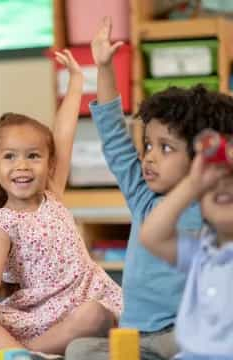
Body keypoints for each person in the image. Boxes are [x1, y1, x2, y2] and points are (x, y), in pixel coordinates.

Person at [66, 17, 233, 360]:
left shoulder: (213, 207)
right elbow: (113, 136)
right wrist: (105, 67)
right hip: (135, 335)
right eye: (148, 145)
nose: (150, 157)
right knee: (78, 350)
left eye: (166, 148)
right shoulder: (143, 195)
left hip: (181, 334)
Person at [0, 49, 122, 360]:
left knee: (96, 315)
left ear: (49, 163)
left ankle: (24, 354)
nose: (23, 166)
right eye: (10, 157)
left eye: (33, 156)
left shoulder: (52, 193)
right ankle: (20, 352)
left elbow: (64, 133)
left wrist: (76, 82)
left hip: (80, 306)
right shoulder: (2, 223)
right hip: (32, 316)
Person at [140, 137, 233, 360]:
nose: (223, 185)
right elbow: (151, 236)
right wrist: (193, 183)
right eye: (211, 184)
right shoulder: (201, 251)